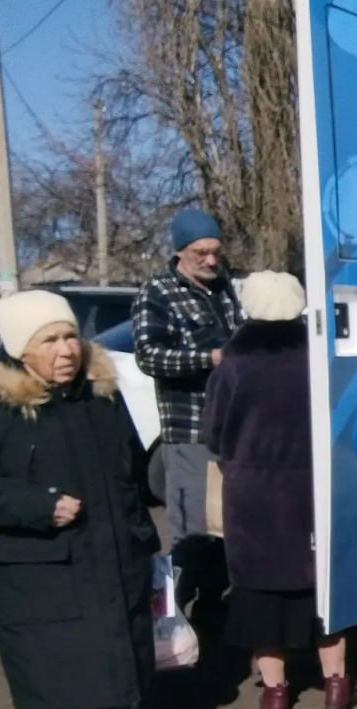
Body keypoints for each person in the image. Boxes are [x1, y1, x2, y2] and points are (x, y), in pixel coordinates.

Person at [0, 290, 163, 709]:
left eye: (70, 336)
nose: (66, 349)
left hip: (114, 554)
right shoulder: (5, 407)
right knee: (52, 667)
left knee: (120, 650)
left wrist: (144, 542)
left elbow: (133, 470)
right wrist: (38, 505)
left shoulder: (102, 395)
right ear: (21, 349)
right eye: (49, 340)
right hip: (40, 567)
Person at [203, 271, 350, 709]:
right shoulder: (320, 359)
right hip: (313, 488)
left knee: (258, 592)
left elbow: (213, 434)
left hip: (254, 495)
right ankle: (336, 684)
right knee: (324, 585)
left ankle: (275, 693)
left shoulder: (232, 366)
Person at [131, 208, 242, 620]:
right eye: (201, 253)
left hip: (231, 430)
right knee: (193, 532)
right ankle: (171, 618)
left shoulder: (224, 288)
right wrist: (209, 357)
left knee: (225, 529)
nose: (211, 260)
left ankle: (213, 614)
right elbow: (148, 356)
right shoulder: (156, 292)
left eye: (216, 251)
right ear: (180, 251)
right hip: (190, 432)